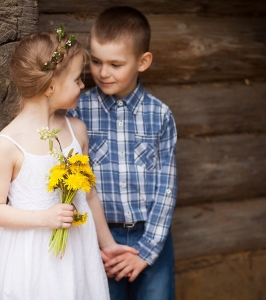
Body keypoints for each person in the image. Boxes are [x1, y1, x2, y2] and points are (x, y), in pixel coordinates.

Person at [0, 26, 138, 300]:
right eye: (77, 79)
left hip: (78, 251)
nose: (82, 86)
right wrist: (44, 217)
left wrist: (108, 244)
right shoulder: (7, 144)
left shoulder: (76, 130)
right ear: (50, 86)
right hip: (31, 257)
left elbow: (88, 196)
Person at [66, 6, 178, 300]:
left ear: (143, 62)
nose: (103, 73)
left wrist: (147, 250)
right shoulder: (79, 110)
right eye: (96, 62)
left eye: (116, 64)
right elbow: (77, 182)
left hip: (151, 236)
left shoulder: (160, 115)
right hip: (99, 239)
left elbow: (166, 187)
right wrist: (99, 242)